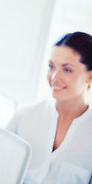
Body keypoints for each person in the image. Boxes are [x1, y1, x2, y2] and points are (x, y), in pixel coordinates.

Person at [7, 31, 92, 183]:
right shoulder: (24, 114)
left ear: (90, 76)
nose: (53, 77)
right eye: (51, 66)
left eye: (67, 69)